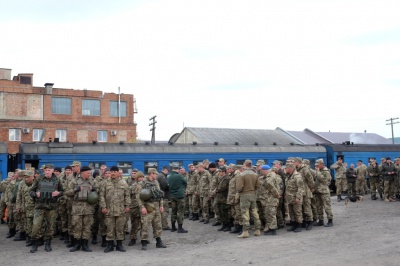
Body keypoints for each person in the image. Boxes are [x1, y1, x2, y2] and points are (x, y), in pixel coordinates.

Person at [29, 164, 64, 253]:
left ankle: (48, 244)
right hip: (40, 206)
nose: (47, 172)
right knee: (36, 226)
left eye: (49, 170)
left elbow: (62, 191)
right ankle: (35, 244)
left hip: (52, 207)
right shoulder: (39, 179)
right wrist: (36, 194)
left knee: (50, 226)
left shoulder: (57, 179)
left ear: (52, 170)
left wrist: (58, 193)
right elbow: (31, 191)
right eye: (46, 170)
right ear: (43, 171)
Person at [99, 166, 131, 252]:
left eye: (114, 172)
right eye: (111, 171)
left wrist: (127, 206)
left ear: (118, 173)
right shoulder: (104, 183)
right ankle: (110, 245)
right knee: (109, 228)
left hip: (121, 210)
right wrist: (103, 207)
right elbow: (101, 196)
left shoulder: (123, 183)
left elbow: (127, 195)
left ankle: (119, 245)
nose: (113, 173)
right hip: (109, 210)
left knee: (120, 228)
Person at [65, 166, 96, 252]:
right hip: (77, 208)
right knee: (77, 226)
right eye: (88, 173)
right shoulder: (74, 181)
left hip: (88, 207)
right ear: (82, 173)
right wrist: (76, 189)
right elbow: (67, 192)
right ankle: (77, 244)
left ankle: (85, 245)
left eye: (90, 173)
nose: (89, 174)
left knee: (87, 227)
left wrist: (94, 189)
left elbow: (98, 190)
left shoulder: (92, 180)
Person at [137, 169, 167, 250]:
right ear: (151, 174)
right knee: (146, 225)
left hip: (156, 206)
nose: (156, 176)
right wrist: (142, 207)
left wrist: (161, 205)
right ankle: (144, 242)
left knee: (157, 224)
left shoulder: (156, 182)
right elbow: (138, 197)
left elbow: (159, 194)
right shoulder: (142, 183)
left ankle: (159, 241)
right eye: (155, 174)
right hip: (148, 206)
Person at [236, 160, 261, 238]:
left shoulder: (242, 175)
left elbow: (239, 187)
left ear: (245, 165)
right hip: (253, 194)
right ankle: (257, 230)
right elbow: (258, 186)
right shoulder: (255, 174)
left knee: (245, 213)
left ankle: (245, 231)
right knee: (255, 212)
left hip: (244, 195)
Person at [294, 157, 315, 230]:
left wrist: (311, 188)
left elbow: (310, 180)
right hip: (300, 192)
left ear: (298, 162)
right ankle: (304, 222)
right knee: (301, 208)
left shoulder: (305, 169)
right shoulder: (296, 169)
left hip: (306, 192)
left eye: (294, 162)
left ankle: (310, 222)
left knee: (307, 207)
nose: (293, 163)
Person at [15, 170, 35, 246]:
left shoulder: (36, 184)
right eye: (25, 177)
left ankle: (36, 239)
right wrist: (18, 206)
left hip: (34, 207)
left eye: (28, 177)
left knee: (35, 224)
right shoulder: (21, 184)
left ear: (32, 177)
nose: (26, 178)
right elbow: (19, 196)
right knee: (27, 224)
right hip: (25, 207)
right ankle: (29, 237)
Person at [168, 163, 188, 233]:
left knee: (173, 211)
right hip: (180, 196)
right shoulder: (179, 176)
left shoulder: (169, 176)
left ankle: (173, 227)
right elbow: (185, 182)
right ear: (178, 169)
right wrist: (183, 188)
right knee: (180, 211)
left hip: (172, 196)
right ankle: (180, 228)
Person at [284, 164, 304, 233]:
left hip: (295, 198)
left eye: (286, 168)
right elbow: (288, 187)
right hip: (290, 198)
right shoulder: (288, 176)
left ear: (290, 168)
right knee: (291, 212)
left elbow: (300, 188)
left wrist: (298, 197)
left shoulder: (297, 176)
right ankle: (294, 224)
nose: (285, 169)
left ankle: (299, 225)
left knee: (297, 212)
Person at [314, 159, 333, 227]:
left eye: (318, 165)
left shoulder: (326, 171)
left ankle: (330, 220)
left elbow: (325, 180)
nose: (316, 166)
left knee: (327, 206)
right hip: (318, 191)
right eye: (316, 165)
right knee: (318, 206)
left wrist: (318, 172)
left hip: (324, 191)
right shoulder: (318, 171)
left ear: (322, 164)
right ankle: (320, 220)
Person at [128, 170, 144, 246]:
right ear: (137, 178)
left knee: (144, 224)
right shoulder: (132, 187)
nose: (141, 178)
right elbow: (128, 197)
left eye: (142, 177)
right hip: (134, 207)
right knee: (134, 224)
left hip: (143, 207)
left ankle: (144, 239)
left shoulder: (145, 186)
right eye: (139, 177)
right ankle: (133, 238)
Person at [214, 166, 231, 232]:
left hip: (224, 198)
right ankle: (224, 225)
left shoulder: (226, 179)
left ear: (223, 172)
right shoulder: (222, 178)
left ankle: (228, 225)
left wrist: (216, 190)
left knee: (225, 212)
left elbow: (222, 188)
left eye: (220, 172)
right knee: (221, 212)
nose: (219, 173)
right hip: (220, 198)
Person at [157, 166, 170, 230]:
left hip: (160, 196)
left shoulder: (159, 175)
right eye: (167, 171)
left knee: (161, 211)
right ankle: (164, 225)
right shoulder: (162, 176)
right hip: (164, 196)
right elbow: (165, 186)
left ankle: (162, 225)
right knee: (165, 211)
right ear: (165, 170)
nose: (168, 172)